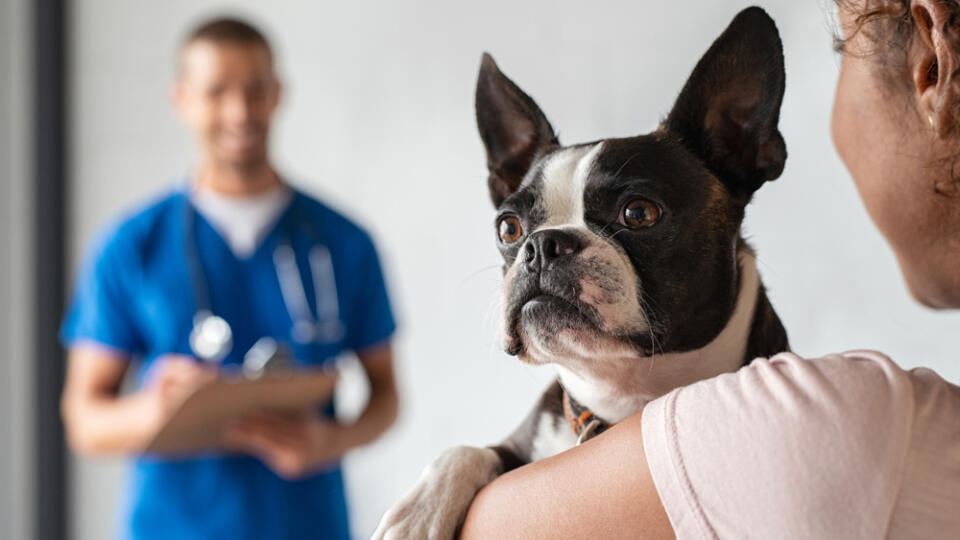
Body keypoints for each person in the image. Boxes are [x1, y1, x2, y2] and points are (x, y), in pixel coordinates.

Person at [460, 1, 960, 538]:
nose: (538, 253)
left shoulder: (806, 425)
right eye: (514, 231)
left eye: (637, 214)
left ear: (933, 66)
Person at [59, 17, 399, 540]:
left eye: (255, 90)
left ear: (278, 93)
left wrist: (326, 442)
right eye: (217, 92)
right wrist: (156, 410)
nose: (239, 112)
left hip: (308, 526)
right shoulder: (132, 246)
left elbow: (386, 397)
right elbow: (84, 421)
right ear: (182, 99)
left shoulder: (344, 241)